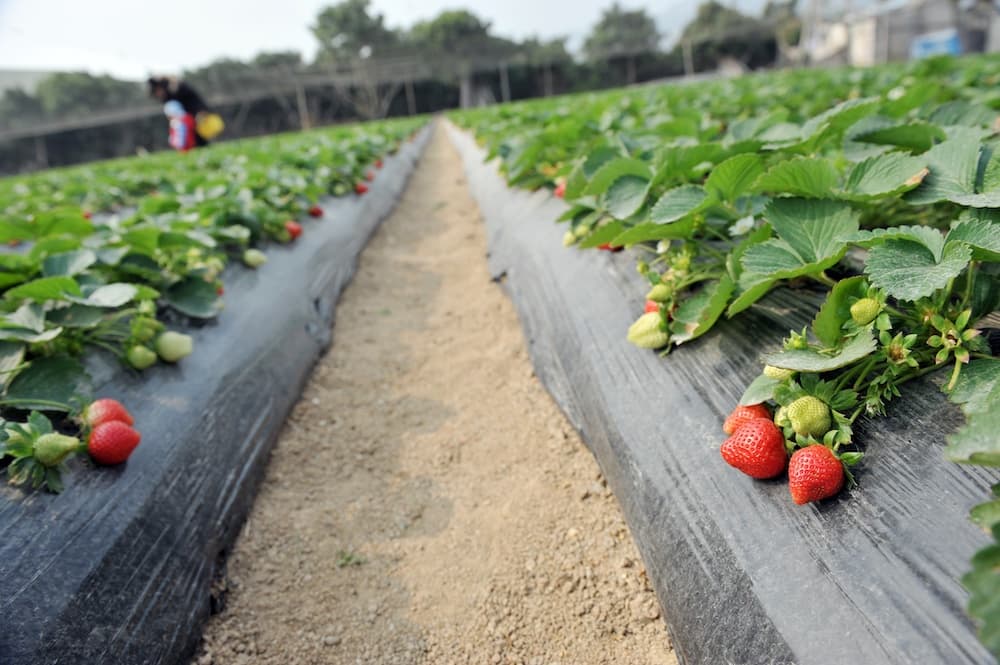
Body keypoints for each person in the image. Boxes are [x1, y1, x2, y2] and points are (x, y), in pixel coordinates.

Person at [148, 76, 211, 146]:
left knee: (198, 131)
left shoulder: (177, 88)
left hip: (194, 112)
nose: (158, 94)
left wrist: (201, 110)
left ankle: (201, 145)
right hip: (184, 118)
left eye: (157, 91)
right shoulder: (166, 96)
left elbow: (194, 99)